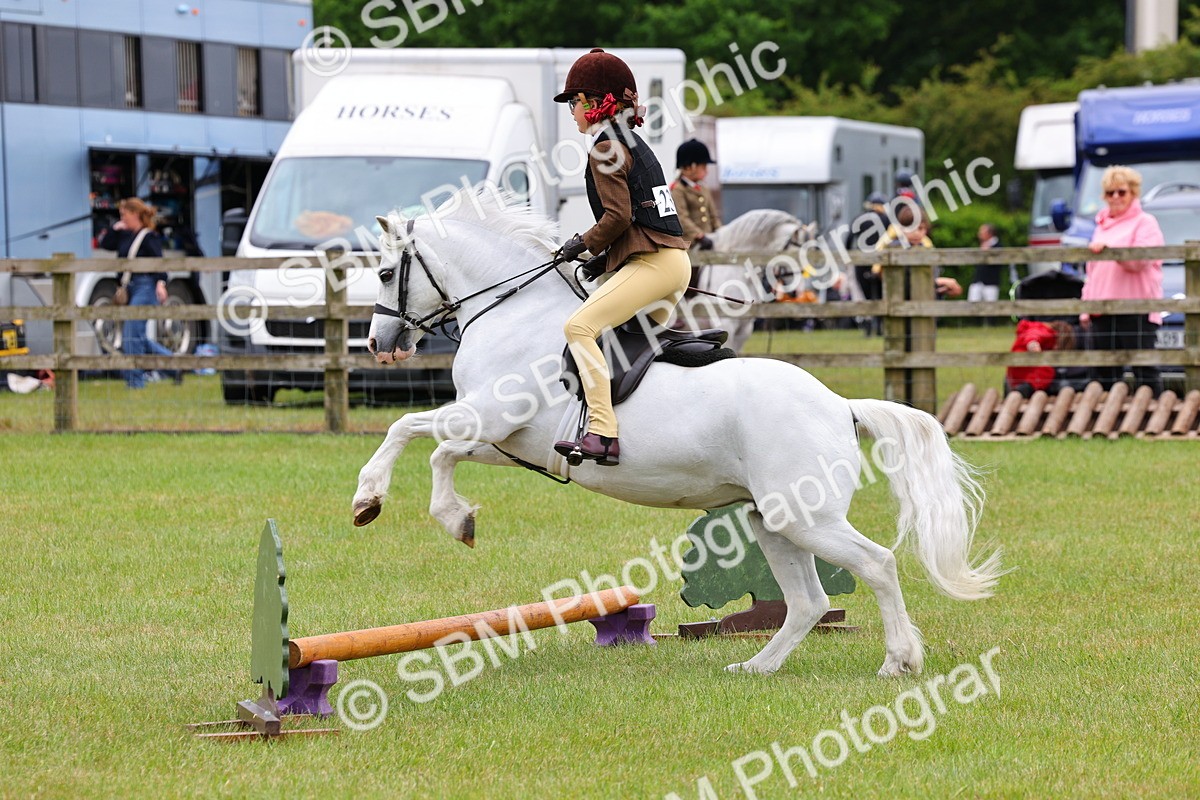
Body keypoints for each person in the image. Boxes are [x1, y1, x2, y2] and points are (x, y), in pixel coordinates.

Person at [551, 48, 691, 466]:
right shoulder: (632, 140)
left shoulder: (604, 148)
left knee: (579, 328)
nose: (572, 111)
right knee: (625, 345)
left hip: (654, 264)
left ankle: (602, 433)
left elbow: (619, 215)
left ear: (593, 103)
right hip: (668, 262)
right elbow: (639, 218)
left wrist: (581, 244)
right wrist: (603, 260)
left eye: (574, 102)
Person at [1079, 165, 1164, 395]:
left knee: (1144, 369)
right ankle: (1105, 422)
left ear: (1133, 193)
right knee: (1103, 371)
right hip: (1102, 310)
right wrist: (1086, 308)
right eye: (1110, 192)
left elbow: (1140, 261)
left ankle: (1152, 420)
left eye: (1121, 191)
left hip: (1136, 308)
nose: (1115, 197)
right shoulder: (1101, 226)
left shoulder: (1146, 222)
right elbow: (1092, 272)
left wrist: (1112, 250)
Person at [98, 198, 180, 388]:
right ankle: (173, 365)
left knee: (131, 334)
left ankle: (135, 381)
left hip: (146, 285)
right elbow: (106, 244)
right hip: (129, 286)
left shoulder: (149, 237)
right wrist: (115, 228)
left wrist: (160, 283)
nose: (122, 218)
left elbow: (159, 262)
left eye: (124, 214)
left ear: (135, 214)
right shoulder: (123, 235)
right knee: (135, 336)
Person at [846, 192, 889, 336]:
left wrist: (849, 256)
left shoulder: (860, 218)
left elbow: (849, 239)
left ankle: (868, 326)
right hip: (881, 262)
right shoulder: (887, 219)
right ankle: (881, 326)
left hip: (862, 261)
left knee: (866, 295)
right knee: (881, 294)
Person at [1005, 319, 1076, 397]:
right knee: (1047, 371)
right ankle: (1027, 390)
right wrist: (1033, 342)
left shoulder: (1036, 327)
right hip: (1026, 360)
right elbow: (1034, 334)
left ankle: (1020, 390)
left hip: (1017, 364)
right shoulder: (1048, 332)